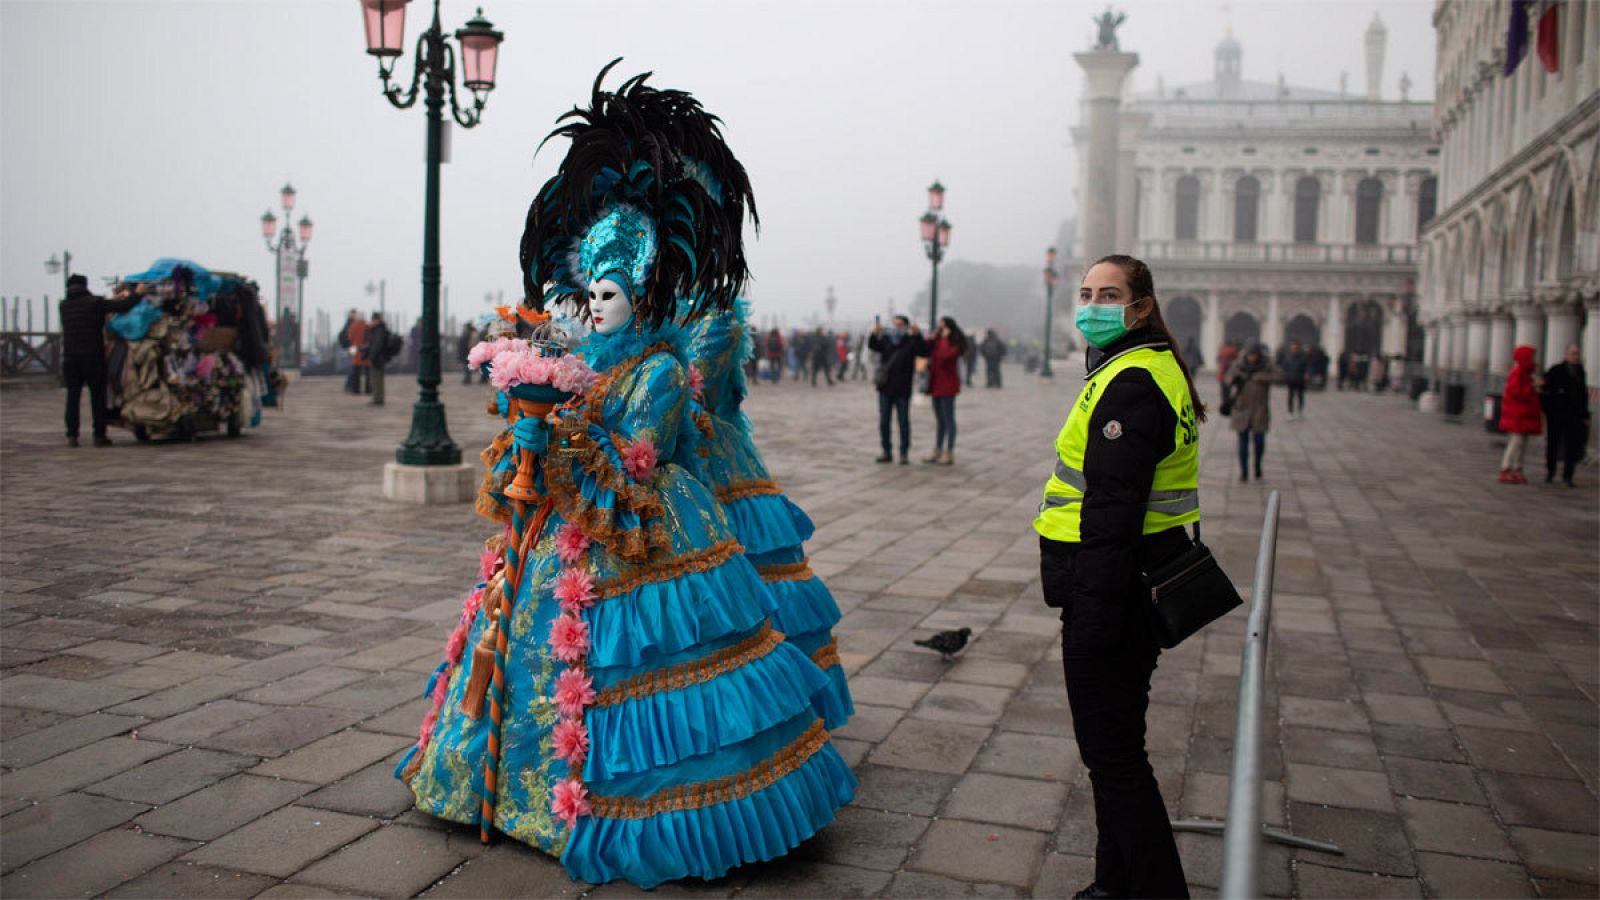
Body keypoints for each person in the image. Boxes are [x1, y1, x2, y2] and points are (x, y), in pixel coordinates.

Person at [398, 65, 854, 888]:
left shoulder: (662, 365)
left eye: (611, 292)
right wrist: (533, 419)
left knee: (648, 666)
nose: (596, 304)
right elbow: (571, 435)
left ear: (640, 294)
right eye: (588, 291)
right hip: (567, 529)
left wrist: (565, 435)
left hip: (643, 526)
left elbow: (641, 456)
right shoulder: (588, 358)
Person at [1034, 254, 1201, 900]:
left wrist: (1094, 619)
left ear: (1141, 307)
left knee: (1114, 760)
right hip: (1136, 582)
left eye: (1109, 294)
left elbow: (1111, 513)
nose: (1092, 304)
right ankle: (1114, 885)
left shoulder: (1129, 384)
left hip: (1112, 591)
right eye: (1085, 293)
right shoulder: (1149, 368)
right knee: (1116, 753)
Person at [59, 273, 138, 447]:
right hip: (92, 357)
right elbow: (123, 306)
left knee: (72, 397)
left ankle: (72, 435)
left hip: (70, 359)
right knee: (97, 396)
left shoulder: (63, 306)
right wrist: (138, 293)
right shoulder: (95, 303)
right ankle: (99, 435)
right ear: (85, 286)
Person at [868, 315, 924, 464]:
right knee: (884, 421)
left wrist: (918, 334)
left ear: (906, 326)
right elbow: (873, 346)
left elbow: (923, 351)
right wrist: (874, 333)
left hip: (903, 388)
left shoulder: (910, 341)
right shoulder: (885, 339)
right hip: (885, 388)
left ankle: (904, 452)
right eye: (894, 324)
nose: (896, 328)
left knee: (904, 422)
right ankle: (886, 450)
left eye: (900, 325)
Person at [1226, 344, 1283, 481]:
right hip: (1241, 409)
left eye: (1254, 356)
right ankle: (1244, 471)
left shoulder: (1267, 365)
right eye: (1250, 355)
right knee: (1243, 441)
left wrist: (1262, 377)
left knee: (1259, 441)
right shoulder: (1239, 365)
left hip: (1259, 410)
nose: (1252, 358)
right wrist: (1235, 379)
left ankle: (1257, 465)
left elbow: (1280, 377)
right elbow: (1227, 378)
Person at [919, 316, 967, 464]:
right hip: (935, 385)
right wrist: (932, 337)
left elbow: (945, 356)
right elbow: (924, 350)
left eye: (943, 327)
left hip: (948, 386)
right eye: (939, 327)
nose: (940, 330)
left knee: (948, 420)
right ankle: (937, 450)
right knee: (940, 420)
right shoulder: (937, 341)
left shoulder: (954, 343)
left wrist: (944, 339)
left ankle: (949, 452)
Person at [1541, 343, 1589, 486]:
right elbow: (1544, 390)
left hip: (1574, 415)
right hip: (1556, 414)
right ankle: (1551, 471)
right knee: (1553, 443)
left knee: (1572, 446)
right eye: (1573, 353)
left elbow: (1583, 395)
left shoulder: (1580, 372)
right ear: (1566, 354)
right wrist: (1548, 408)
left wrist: (1584, 415)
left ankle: (1568, 475)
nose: (1575, 356)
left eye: (1577, 354)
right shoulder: (1556, 370)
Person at [1498, 345, 1542, 483]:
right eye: (1531, 357)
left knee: (1522, 443)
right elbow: (1516, 392)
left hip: (1523, 415)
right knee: (1516, 442)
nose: (1534, 360)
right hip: (1517, 414)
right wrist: (1533, 386)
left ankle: (1517, 468)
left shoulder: (1525, 373)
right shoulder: (1517, 372)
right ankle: (1506, 468)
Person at [363, 312, 392, 406]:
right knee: (378, 379)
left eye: (373, 320)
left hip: (377, 358)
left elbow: (376, 345)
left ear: (376, 320)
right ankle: (379, 398)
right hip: (381, 357)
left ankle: (377, 399)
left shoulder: (378, 330)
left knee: (376, 379)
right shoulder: (381, 329)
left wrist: (371, 357)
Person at [341, 309, 370, 395]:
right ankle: (368, 389)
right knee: (367, 370)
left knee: (355, 368)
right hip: (364, 349)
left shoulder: (352, 326)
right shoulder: (366, 326)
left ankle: (355, 389)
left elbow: (349, 338)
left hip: (354, 348)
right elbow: (369, 337)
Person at [1278, 339, 1309, 418]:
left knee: (1300, 396)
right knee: (1290, 396)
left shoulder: (1303, 356)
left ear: (1298, 346)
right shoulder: (1288, 356)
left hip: (1300, 379)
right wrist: (1284, 375)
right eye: (1292, 345)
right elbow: (1284, 367)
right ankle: (1290, 412)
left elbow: (1306, 366)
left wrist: (1306, 374)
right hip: (1291, 379)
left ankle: (1300, 411)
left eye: (1295, 345)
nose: (1294, 347)